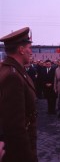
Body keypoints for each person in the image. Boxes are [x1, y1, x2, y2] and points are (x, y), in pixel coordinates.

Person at [0, 27, 38, 162]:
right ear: (21, 50)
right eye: (29, 47)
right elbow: (15, 126)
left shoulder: (9, 69)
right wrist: (28, 157)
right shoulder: (13, 76)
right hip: (19, 151)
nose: (31, 52)